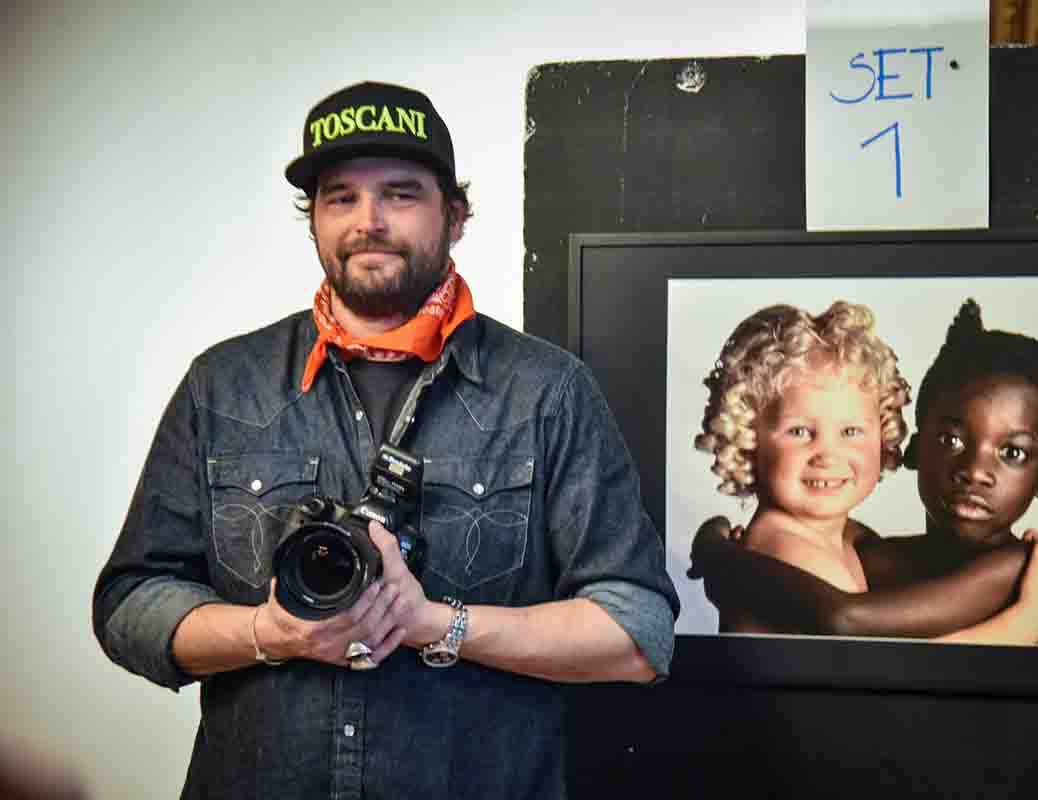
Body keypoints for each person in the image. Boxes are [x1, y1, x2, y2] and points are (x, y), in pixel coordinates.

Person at [93, 81, 679, 800]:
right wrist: (268, 633)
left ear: (455, 216)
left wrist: (433, 623)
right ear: (314, 221)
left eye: (401, 194)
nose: (369, 221)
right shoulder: (223, 385)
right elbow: (127, 607)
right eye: (341, 197)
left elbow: (637, 631)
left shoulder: (547, 391)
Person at [689, 298, 1038, 644]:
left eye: (850, 431)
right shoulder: (829, 547)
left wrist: (714, 550)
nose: (975, 472)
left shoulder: (1020, 568)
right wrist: (1031, 620)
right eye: (799, 431)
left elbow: (851, 630)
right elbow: (867, 668)